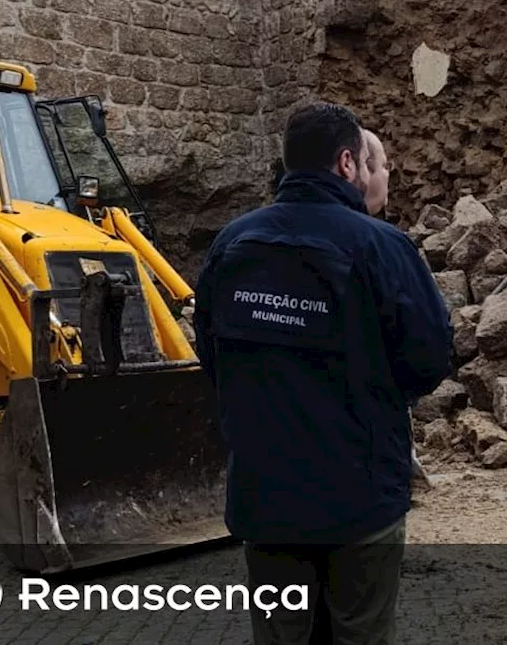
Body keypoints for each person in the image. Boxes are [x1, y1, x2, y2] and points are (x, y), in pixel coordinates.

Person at [192, 102, 454, 644]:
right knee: (359, 631)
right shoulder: (383, 248)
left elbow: (213, 355)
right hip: (359, 499)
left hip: (265, 498)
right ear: (346, 165)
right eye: (370, 161)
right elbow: (429, 359)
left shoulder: (233, 244)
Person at [357, 128, 430, 492]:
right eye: (385, 165)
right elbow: (425, 346)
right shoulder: (385, 248)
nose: (389, 175)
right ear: (360, 170)